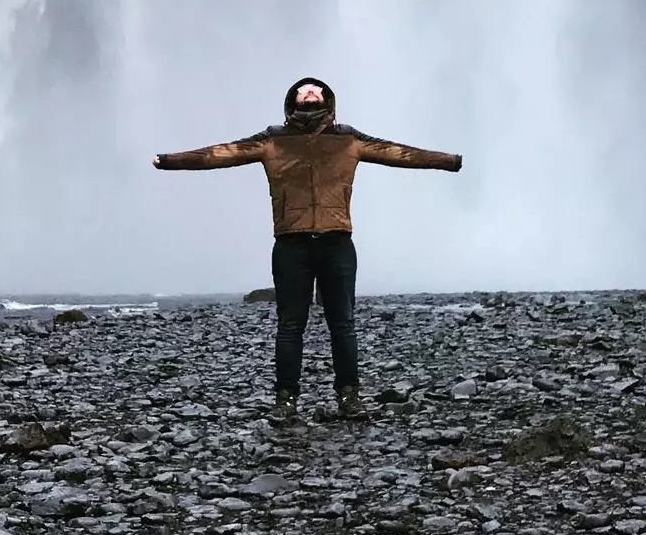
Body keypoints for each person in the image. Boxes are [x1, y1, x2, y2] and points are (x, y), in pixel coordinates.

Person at [153, 76, 462, 423]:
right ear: (292, 103)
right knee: (290, 326)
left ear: (328, 102)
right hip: (291, 245)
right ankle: (285, 400)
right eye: (304, 91)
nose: (310, 94)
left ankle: (349, 397)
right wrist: (169, 160)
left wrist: (448, 160)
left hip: (336, 242)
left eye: (315, 91)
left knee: (342, 324)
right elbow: (220, 154)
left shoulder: (348, 140)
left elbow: (400, 153)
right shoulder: (272, 141)